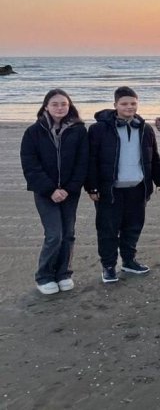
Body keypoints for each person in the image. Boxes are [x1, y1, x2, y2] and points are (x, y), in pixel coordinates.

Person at [86, 87, 160, 283]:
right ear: (115, 105)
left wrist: (159, 179)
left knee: (133, 227)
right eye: (124, 104)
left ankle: (129, 261)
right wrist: (91, 187)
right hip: (110, 190)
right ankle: (108, 266)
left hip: (137, 188)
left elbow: (153, 157)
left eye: (133, 103)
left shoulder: (145, 129)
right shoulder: (98, 129)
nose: (129, 107)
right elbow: (91, 160)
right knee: (108, 230)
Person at [20, 89, 88, 295]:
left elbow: (82, 163)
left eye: (64, 104)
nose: (60, 108)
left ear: (70, 106)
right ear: (46, 107)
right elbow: (30, 166)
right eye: (55, 104)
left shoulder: (79, 131)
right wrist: (51, 190)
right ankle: (44, 276)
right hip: (45, 192)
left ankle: (63, 273)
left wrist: (69, 188)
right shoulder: (33, 132)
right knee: (54, 235)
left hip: (70, 192)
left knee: (68, 234)